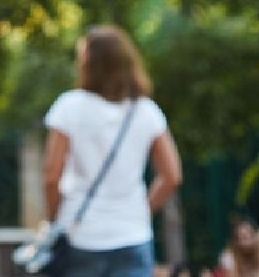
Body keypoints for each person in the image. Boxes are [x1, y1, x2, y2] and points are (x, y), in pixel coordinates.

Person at [42, 24, 183, 276]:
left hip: (81, 235)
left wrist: (57, 218)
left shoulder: (70, 107)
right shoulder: (146, 110)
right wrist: (142, 210)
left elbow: (52, 175)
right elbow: (172, 176)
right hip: (132, 233)